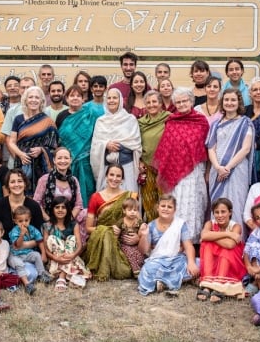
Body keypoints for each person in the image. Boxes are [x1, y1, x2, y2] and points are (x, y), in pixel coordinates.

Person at [153, 87, 209, 246]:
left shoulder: (201, 121)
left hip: (194, 172)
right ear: (174, 104)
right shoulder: (171, 121)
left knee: (194, 205)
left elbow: (206, 148)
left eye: (185, 101)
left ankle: (193, 243)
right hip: (174, 174)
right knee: (177, 204)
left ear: (191, 101)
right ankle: (176, 241)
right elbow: (166, 148)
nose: (182, 104)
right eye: (178, 102)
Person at [206, 88, 254, 227]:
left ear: (239, 102)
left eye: (233, 100)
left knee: (236, 202)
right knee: (217, 203)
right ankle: (217, 239)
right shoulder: (216, 124)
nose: (229, 103)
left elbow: (245, 148)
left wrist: (227, 167)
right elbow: (211, 148)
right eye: (226, 99)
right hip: (218, 169)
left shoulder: (245, 123)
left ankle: (236, 241)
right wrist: (217, 167)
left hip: (236, 169)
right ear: (222, 102)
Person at [137, 194, 199, 296]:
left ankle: (163, 282)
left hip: (176, 258)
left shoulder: (180, 224)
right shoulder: (151, 225)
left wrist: (191, 263)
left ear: (174, 210)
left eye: (169, 207)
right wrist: (144, 236)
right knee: (147, 271)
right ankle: (181, 280)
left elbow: (188, 246)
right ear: (158, 208)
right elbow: (144, 250)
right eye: (163, 206)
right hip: (158, 261)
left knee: (199, 263)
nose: (166, 209)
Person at [83, 164, 136, 281]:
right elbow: (88, 228)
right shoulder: (96, 197)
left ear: (122, 179)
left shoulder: (129, 196)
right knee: (106, 233)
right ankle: (104, 269)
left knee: (124, 270)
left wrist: (132, 235)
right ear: (106, 176)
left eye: (118, 176)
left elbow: (136, 223)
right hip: (100, 239)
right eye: (111, 174)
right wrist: (108, 229)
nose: (114, 178)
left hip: (121, 238)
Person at [7, 85, 59, 195]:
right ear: (25, 100)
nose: (33, 100)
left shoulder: (47, 121)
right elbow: (11, 142)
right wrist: (21, 154)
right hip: (22, 161)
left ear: (41, 101)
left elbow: (54, 145)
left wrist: (41, 149)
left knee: (40, 193)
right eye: (30, 97)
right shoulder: (19, 119)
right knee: (21, 190)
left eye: (37, 97)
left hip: (41, 165)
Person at [56, 85, 101, 207]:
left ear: (83, 99)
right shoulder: (61, 116)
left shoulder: (92, 115)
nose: (75, 98)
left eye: (78, 96)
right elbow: (59, 140)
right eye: (72, 95)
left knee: (88, 188)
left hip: (87, 161)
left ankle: (87, 215)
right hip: (66, 163)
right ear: (66, 98)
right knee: (67, 193)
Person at [90, 88, 142, 193]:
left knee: (128, 199)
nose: (111, 100)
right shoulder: (100, 121)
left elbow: (135, 144)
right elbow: (95, 145)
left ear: (121, 100)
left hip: (127, 167)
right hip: (107, 168)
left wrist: (121, 147)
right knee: (107, 200)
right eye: (109, 98)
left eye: (115, 98)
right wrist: (106, 144)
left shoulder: (130, 119)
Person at [198, 198, 247, 302]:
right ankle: (207, 284)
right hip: (214, 260)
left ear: (230, 212)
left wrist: (211, 237)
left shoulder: (236, 226)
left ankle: (219, 284)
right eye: (216, 212)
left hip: (231, 262)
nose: (220, 215)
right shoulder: (210, 223)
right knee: (207, 244)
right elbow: (203, 235)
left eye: (223, 212)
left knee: (223, 249)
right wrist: (228, 234)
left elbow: (230, 244)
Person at [43, 196, 91, 291]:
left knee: (71, 238)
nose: (60, 210)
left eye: (63, 207)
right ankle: (71, 274)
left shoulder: (73, 224)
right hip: (55, 260)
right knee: (52, 238)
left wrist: (72, 255)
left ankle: (62, 277)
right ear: (52, 209)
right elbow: (46, 248)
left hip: (70, 257)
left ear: (68, 210)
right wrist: (56, 258)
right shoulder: (47, 225)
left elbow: (79, 244)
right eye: (57, 207)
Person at [138, 91, 169, 221]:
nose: (151, 105)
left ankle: (166, 230)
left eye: (154, 102)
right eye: (148, 102)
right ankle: (152, 231)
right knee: (149, 200)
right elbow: (136, 143)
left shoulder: (169, 118)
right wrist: (139, 161)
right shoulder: (140, 122)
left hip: (165, 167)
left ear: (161, 103)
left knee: (165, 200)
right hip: (146, 166)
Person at [8, 205, 52, 294]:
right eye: (20, 221)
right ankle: (27, 284)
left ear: (30, 219)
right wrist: (22, 234)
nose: (23, 223)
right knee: (18, 264)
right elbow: (18, 245)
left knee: (36, 255)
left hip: (27, 254)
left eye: (26, 220)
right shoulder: (15, 231)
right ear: (15, 221)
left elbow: (40, 240)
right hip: (15, 255)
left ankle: (41, 274)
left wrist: (43, 254)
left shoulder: (32, 229)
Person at [33, 147, 83, 224]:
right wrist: (48, 220)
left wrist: (69, 220)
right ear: (54, 160)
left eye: (66, 158)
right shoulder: (45, 179)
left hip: (68, 220)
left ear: (70, 160)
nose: (63, 161)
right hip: (48, 221)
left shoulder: (74, 180)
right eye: (59, 158)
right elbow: (36, 202)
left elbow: (78, 204)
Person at [1, 76, 36, 168]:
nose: (26, 90)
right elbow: (8, 139)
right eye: (23, 87)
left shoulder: (45, 111)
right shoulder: (12, 111)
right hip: (16, 161)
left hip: (38, 161)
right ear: (19, 90)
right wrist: (18, 157)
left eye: (29, 87)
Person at [116, 196, 147, 276]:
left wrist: (143, 227)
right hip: (124, 244)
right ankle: (136, 271)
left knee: (140, 253)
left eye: (135, 210)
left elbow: (142, 232)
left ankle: (144, 267)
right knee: (130, 253)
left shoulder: (139, 221)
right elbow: (116, 232)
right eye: (130, 210)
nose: (133, 212)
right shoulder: (121, 221)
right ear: (124, 211)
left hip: (136, 244)